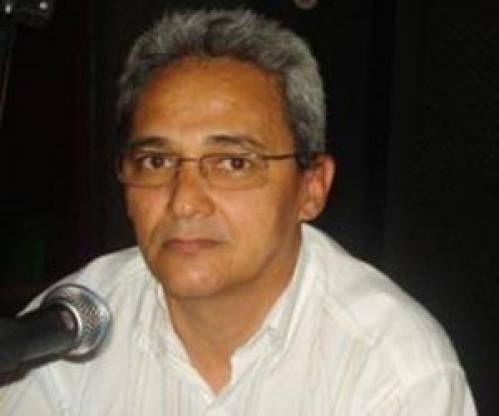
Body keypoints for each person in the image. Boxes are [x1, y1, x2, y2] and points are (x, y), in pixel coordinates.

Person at [0, 8, 476, 415]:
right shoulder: (63, 333)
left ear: (311, 188)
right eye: (156, 161)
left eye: (233, 163)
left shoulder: (393, 370)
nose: (184, 201)